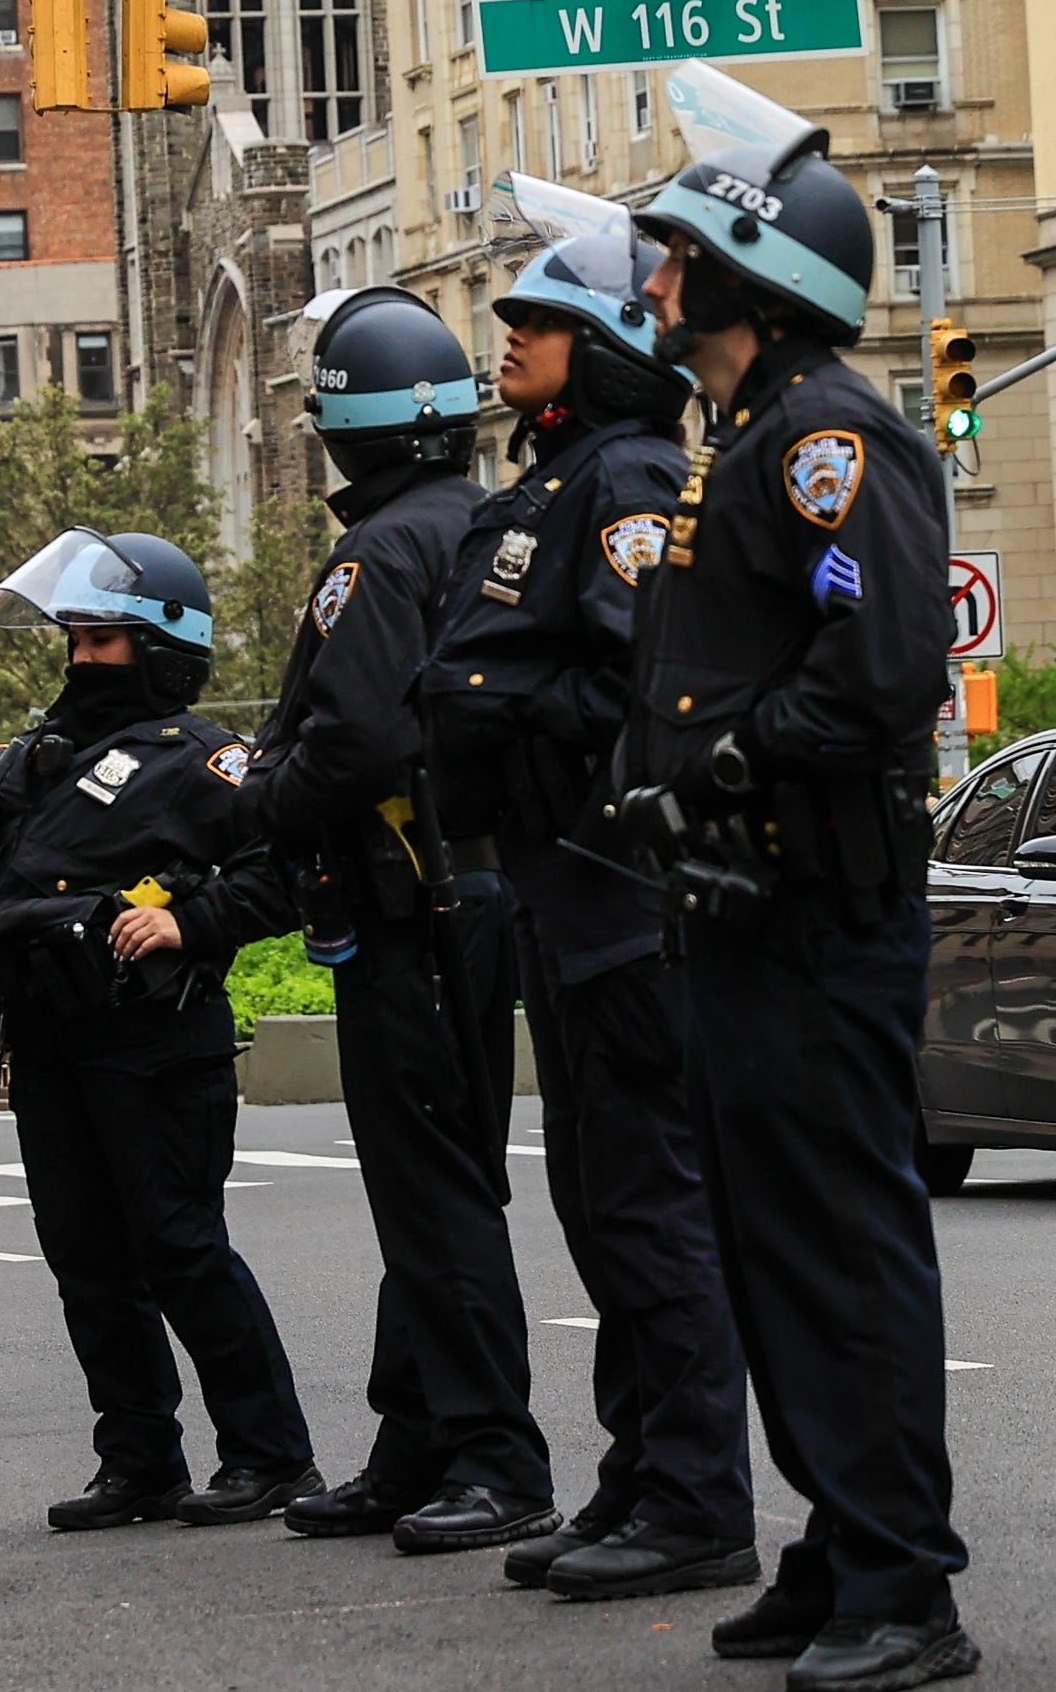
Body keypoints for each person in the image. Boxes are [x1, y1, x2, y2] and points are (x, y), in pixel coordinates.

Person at [611, 62, 978, 1688]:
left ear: (752, 273)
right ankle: (838, 1547)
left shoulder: (833, 441)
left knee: (840, 1247)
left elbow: (884, 662)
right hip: (741, 914)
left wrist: (741, 757)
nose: (654, 279)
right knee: (774, 1253)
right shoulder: (744, 436)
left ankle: (908, 1589)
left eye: (677, 254)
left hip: (823, 909)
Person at [420, 180, 757, 1601]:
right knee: (595, 1197)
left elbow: (646, 680)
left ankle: (694, 1496)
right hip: (563, 893)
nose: (507, 340)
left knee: (645, 1202)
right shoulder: (559, 477)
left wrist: (491, 690)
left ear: (607, 341)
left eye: (537, 323)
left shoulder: (622, 478)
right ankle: (639, 1469)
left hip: (622, 894)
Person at [247, 285, 558, 1554]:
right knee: (447, 1178)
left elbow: (356, 735)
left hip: (405, 903)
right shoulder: (483, 524)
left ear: (345, 429)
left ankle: (493, 1453)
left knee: (432, 1194)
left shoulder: (377, 555)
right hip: (482, 893)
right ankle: (416, 1436)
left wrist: (259, 793)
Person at [0, 528, 319, 1527]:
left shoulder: (208, 760)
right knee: (86, 1261)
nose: (79, 659)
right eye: (72, 636)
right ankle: (138, 1456)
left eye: (103, 640)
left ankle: (272, 1454)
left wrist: (188, 921)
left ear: (158, 650)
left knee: (180, 1246)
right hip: (51, 1041)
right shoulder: (37, 755)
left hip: (154, 1044)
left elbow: (287, 873)